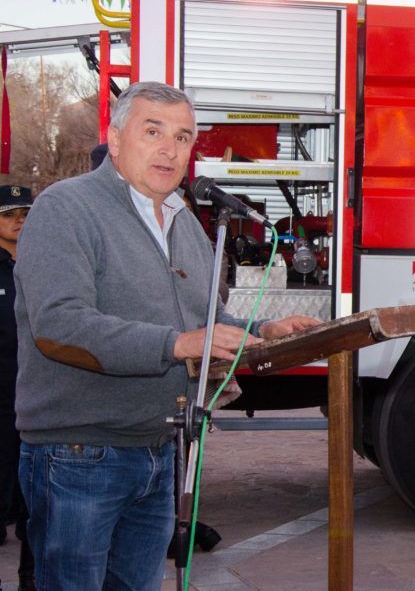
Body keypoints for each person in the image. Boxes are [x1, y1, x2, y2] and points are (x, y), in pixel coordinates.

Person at [13, 81, 320, 590]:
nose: (169, 149)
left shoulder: (184, 222)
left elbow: (202, 320)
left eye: (182, 137)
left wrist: (263, 329)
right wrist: (175, 345)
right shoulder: (65, 208)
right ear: (114, 138)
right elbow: (58, 326)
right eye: (152, 131)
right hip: (78, 455)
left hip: (160, 448)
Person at [0, 185, 35, 591]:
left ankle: (31, 576)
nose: (19, 221)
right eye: (10, 214)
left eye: (25, 213)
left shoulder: (42, 262)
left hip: (33, 398)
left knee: (33, 500)